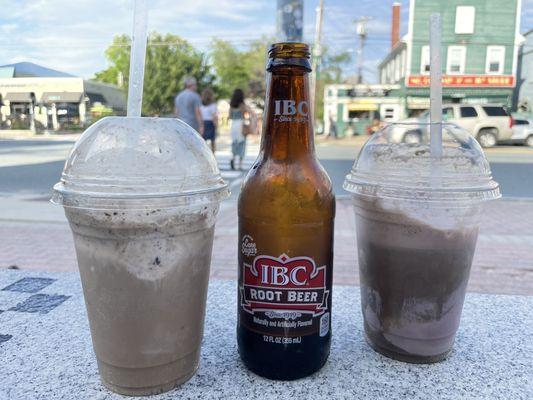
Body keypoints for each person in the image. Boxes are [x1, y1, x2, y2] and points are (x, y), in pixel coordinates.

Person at [229, 89, 252, 171]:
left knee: (234, 143)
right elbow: (248, 113)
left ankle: (233, 158)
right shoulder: (242, 105)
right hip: (241, 124)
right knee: (242, 143)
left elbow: (230, 116)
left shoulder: (231, 105)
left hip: (233, 125)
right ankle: (240, 164)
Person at [200, 88, 217, 152]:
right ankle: (213, 155)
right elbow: (214, 116)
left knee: (203, 141)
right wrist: (216, 125)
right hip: (210, 123)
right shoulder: (213, 105)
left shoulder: (200, 105)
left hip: (203, 123)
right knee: (213, 141)